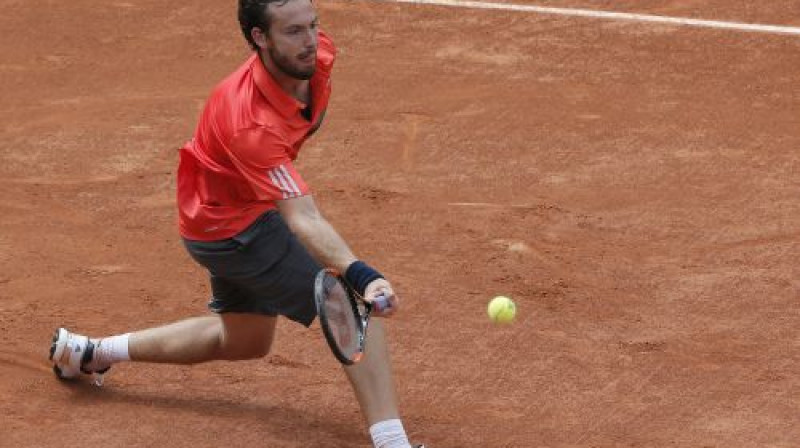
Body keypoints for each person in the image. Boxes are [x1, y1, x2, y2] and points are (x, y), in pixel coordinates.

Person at [48, 1, 423, 447]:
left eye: (312, 25)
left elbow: (305, 113)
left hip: (215, 213)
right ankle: (392, 443)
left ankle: (89, 351)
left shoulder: (314, 54)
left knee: (244, 339)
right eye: (293, 32)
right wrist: (363, 274)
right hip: (235, 227)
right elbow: (302, 217)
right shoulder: (249, 123)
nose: (310, 41)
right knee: (356, 303)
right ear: (259, 38)